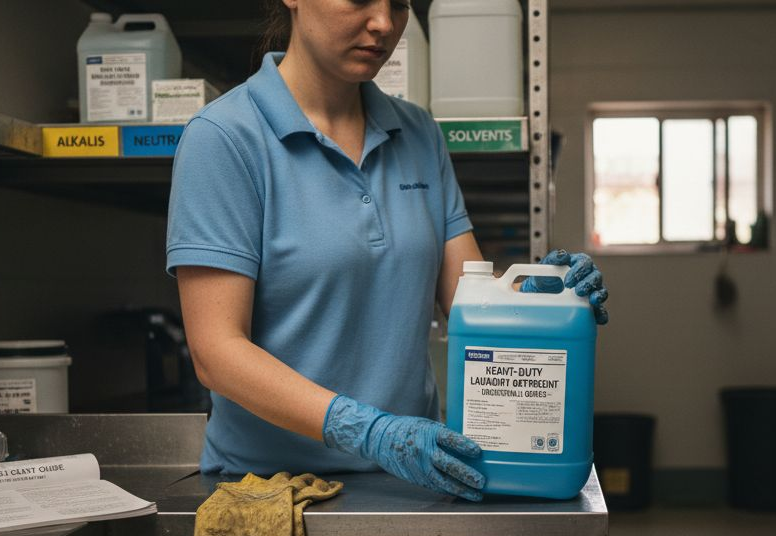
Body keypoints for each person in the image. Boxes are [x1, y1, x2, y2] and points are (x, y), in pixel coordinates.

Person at [166, 0, 608, 501]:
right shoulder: (224, 139)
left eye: (399, 3)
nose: (384, 24)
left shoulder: (418, 133)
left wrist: (546, 296)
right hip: (269, 491)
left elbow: (474, 302)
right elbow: (216, 352)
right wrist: (369, 431)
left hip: (414, 478)